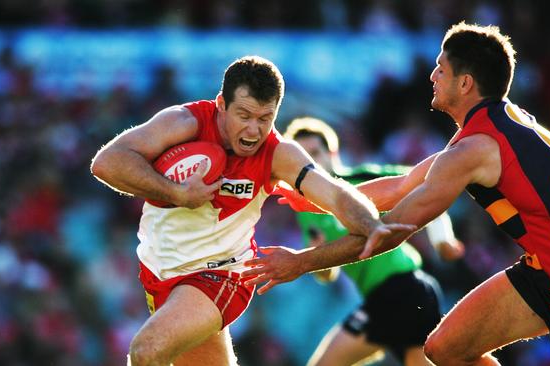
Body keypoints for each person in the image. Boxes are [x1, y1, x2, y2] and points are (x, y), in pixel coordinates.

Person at [243, 23, 550, 366]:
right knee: (446, 348)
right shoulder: (502, 122)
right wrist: (316, 197)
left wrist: (301, 262)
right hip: (546, 271)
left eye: (440, 69)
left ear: (465, 84)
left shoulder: (473, 150)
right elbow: (401, 186)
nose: (431, 76)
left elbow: (390, 231)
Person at [90, 55, 414, 366]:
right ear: (221, 105)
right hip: (160, 276)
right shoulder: (184, 123)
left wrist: (371, 225)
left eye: (265, 119)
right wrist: (176, 192)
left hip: (222, 275)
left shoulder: (279, 153)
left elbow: (335, 193)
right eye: (244, 116)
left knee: (147, 351)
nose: (253, 131)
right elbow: (106, 163)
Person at [282, 117, 463, 366]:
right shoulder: (306, 210)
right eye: (306, 160)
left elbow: (429, 184)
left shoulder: (363, 180)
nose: (314, 165)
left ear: (332, 152)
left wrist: (443, 239)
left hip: (404, 287)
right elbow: (327, 275)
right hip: (386, 297)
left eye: (316, 154)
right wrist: (317, 252)